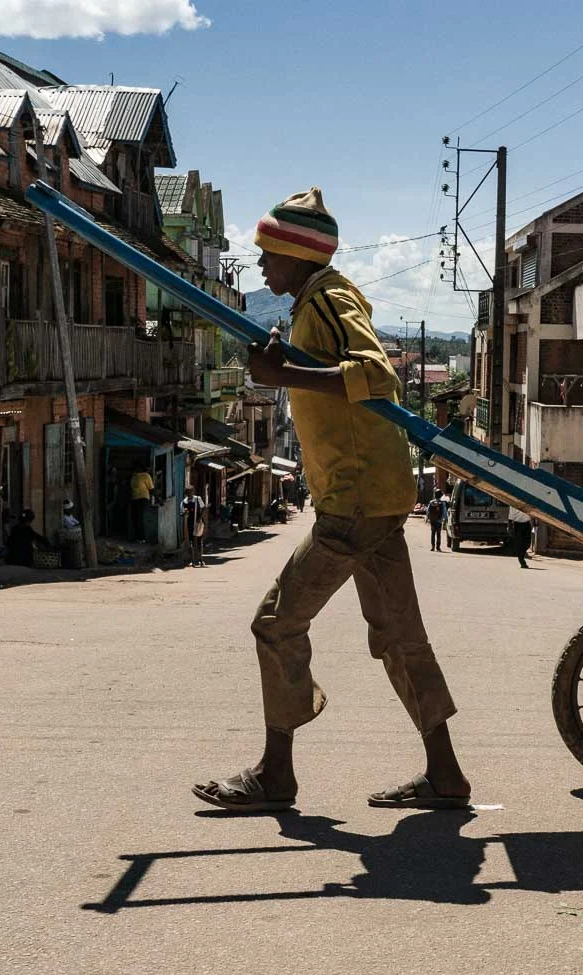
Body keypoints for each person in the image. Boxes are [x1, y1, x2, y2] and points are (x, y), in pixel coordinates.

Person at [193, 188, 470, 813]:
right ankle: (446, 774)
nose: (262, 267)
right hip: (373, 496)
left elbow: (377, 374)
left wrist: (283, 377)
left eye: (269, 254)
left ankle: (276, 775)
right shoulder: (314, 301)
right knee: (400, 637)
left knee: (275, 622)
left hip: (354, 502)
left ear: (297, 254)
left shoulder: (330, 298)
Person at [128, 462, 154, 543]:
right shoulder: (134, 476)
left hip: (143, 499)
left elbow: (151, 489)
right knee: (135, 518)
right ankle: (138, 537)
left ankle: (142, 538)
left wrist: (158, 499)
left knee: (139, 518)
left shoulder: (146, 476)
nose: (136, 469)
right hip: (134, 499)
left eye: (137, 467)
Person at [182, 486, 207, 567]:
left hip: (198, 523)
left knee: (199, 541)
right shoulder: (184, 502)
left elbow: (204, 508)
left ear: (193, 492)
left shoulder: (197, 499)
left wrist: (199, 518)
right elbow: (182, 513)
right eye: (188, 493)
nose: (190, 494)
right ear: (186, 494)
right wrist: (185, 513)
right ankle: (192, 561)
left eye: (191, 492)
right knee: (191, 542)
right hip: (189, 524)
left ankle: (200, 560)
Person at [508, 504, 532, 569]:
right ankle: (521, 560)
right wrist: (509, 525)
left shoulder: (527, 500)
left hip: (527, 523)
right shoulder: (513, 502)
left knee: (527, 543)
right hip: (517, 524)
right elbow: (511, 514)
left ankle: (521, 555)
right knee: (519, 543)